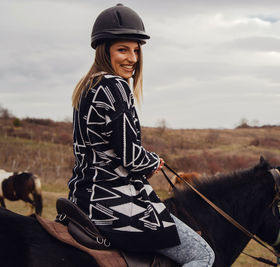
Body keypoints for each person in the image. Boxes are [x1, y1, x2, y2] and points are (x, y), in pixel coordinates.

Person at [67, 4, 214, 266]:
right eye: (123, 49)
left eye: (136, 50)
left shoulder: (87, 87)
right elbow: (131, 157)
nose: (133, 58)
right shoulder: (115, 86)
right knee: (202, 255)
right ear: (105, 50)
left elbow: (103, 149)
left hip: (82, 196)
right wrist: (154, 161)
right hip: (113, 203)